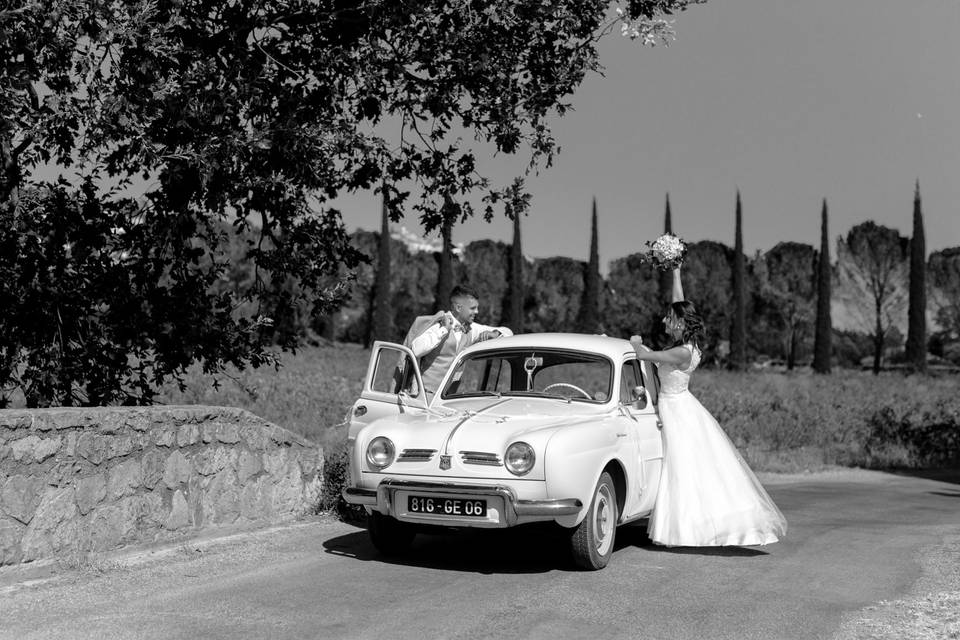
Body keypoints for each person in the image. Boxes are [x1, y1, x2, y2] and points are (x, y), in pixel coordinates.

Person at [630, 267, 787, 547]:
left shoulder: (679, 352)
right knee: (685, 466)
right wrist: (676, 270)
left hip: (676, 410)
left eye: (669, 318)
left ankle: (688, 528)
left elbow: (644, 355)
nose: (664, 320)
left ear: (679, 323)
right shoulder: (689, 344)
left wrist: (635, 343)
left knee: (682, 468)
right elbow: (679, 303)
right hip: (680, 405)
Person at [406, 285, 513, 396]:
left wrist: (495, 333)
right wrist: (443, 330)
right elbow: (416, 350)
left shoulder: (472, 329)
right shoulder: (439, 323)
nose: (477, 312)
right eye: (472, 308)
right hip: (424, 394)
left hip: (450, 397)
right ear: (458, 308)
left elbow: (508, 332)